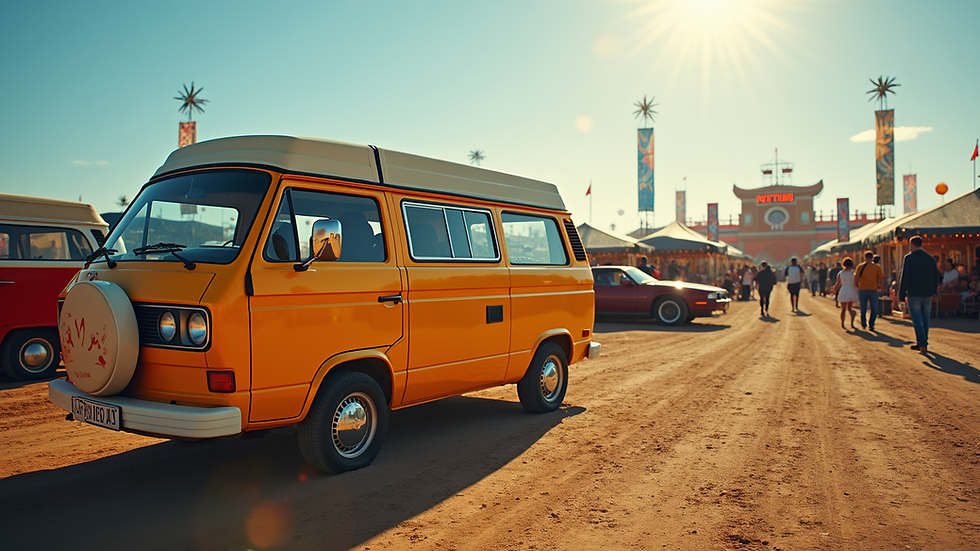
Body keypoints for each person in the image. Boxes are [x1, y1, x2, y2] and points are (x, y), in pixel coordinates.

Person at [898, 235, 942, 354]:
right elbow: (936, 277)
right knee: (925, 318)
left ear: (912, 245)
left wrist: (901, 294)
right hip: (928, 293)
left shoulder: (909, 258)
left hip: (914, 293)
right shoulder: (930, 259)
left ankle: (922, 344)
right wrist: (935, 291)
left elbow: (905, 277)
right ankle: (923, 342)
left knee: (917, 319)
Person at [855, 250, 885, 331]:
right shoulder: (877, 267)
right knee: (874, 308)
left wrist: (857, 287)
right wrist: (882, 288)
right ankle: (871, 324)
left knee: (863, 308)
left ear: (864, 257)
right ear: (872, 257)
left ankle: (864, 323)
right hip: (873, 290)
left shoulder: (860, 267)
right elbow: (882, 278)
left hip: (862, 289)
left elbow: (856, 278)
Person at [832, 257, 859, 330]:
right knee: (850, 308)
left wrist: (834, 290)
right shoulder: (853, 273)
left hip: (843, 290)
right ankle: (852, 323)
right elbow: (856, 283)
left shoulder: (840, 273)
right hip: (851, 290)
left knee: (843, 309)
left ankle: (842, 324)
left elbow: (838, 284)